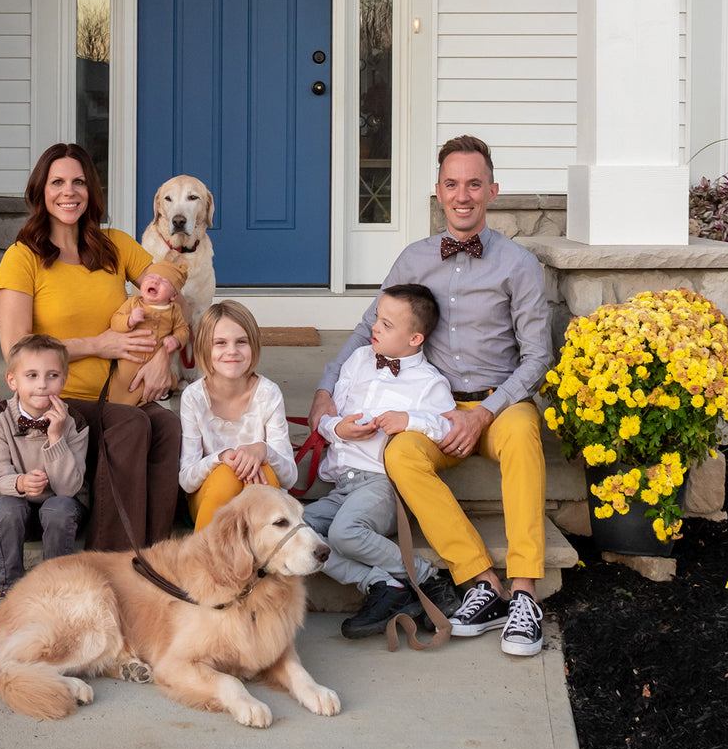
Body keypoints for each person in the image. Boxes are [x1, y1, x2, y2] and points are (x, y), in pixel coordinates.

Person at [308, 135, 553, 656]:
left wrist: (486, 412)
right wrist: (327, 388)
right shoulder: (414, 259)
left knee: (524, 438)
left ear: (492, 190)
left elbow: (537, 357)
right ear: (437, 192)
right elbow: (365, 327)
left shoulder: (519, 265)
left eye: (473, 184)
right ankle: (481, 581)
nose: (462, 195)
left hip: (500, 401)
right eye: (451, 184)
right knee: (399, 453)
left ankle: (526, 591)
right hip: (433, 404)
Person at [0, 142, 181, 551]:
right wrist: (100, 343)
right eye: (57, 182)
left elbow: (168, 292)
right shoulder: (22, 257)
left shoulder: (113, 245)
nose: (69, 192)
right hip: (59, 401)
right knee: (132, 426)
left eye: (78, 182)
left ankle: (157, 552)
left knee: (166, 425)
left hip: (116, 392)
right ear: (41, 191)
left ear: (91, 190)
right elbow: (17, 349)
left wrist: (165, 354)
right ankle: (110, 557)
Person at [304, 284, 461, 639]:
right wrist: (337, 428)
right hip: (342, 484)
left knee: (345, 533)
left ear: (415, 338)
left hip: (382, 486)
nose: (374, 327)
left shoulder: (428, 383)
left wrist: (410, 420)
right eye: (377, 318)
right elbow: (330, 418)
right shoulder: (358, 360)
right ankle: (379, 583)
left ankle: (426, 576)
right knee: (293, 530)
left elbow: (448, 429)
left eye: (387, 325)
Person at [0, 334, 88, 596]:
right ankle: (10, 593)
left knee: (59, 507)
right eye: (31, 375)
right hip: (17, 514)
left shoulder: (74, 422)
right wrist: (19, 482)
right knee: (6, 506)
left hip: (62, 516)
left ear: (64, 379)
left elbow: (67, 488)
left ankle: (53, 592)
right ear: (12, 380)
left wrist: (55, 437)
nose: (42, 385)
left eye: (52, 375)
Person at [179, 301, 298, 531]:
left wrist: (262, 450)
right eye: (220, 343)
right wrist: (221, 457)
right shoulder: (193, 397)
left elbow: (290, 478)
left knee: (262, 468)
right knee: (227, 474)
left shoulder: (268, 393)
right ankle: (205, 558)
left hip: (260, 504)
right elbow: (186, 480)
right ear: (205, 348)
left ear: (253, 346)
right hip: (211, 501)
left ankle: (262, 558)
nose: (232, 350)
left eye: (241, 342)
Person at [107, 260, 190, 406]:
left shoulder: (174, 311)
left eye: (163, 281)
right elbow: (115, 321)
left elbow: (183, 329)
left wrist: (176, 340)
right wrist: (129, 320)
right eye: (150, 277)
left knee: (161, 383)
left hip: (155, 362)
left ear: (173, 295)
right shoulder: (133, 304)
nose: (155, 281)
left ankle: (146, 401)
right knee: (123, 383)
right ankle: (119, 406)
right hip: (131, 361)